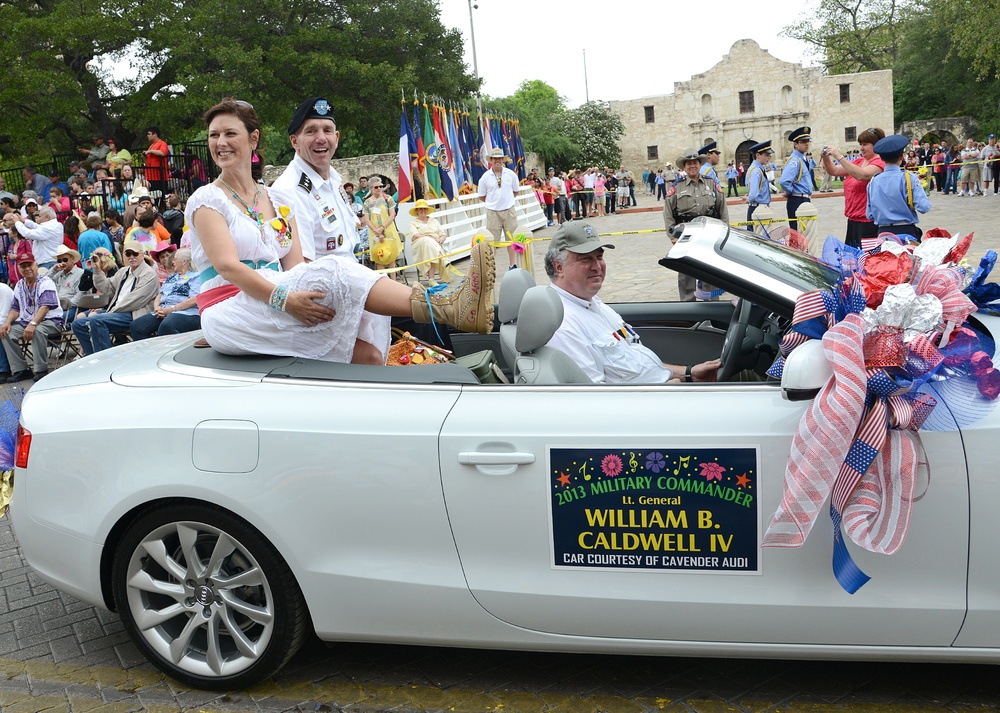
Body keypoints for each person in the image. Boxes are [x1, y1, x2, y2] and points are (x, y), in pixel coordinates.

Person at [185, 98, 493, 366]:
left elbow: (295, 269)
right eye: (214, 135)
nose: (220, 142)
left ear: (253, 139)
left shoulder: (277, 200)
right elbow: (227, 266)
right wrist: (286, 301)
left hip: (273, 298)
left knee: (371, 352)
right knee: (335, 267)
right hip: (231, 304)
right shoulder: (208, 199)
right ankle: (443, 305)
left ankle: (450, 308)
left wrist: (333, 298)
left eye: (229, 133)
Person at [543, 222, 721, 384]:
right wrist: (664, 392)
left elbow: (633, 362)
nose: (597, 266)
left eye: (599, 257)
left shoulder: (593, 304)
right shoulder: (563, 325)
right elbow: (596, 399)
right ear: (559, 267)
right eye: (586, 259)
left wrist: (688, 373)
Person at [269, 97, 362, 263]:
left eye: (327, 130)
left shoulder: (333, 180)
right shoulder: (290, 190)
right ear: (294, 142)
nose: (321, 138)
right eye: (311, 131)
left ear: (337, 138)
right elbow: (304, 267)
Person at [72, 239, 159, 355]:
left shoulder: (149, 274)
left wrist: (109, 312)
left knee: (97, 320)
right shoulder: (123, 271)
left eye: (135, 254)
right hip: (117, 311)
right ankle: (92, 357)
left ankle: (105, 361)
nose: (131, 257)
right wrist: (97, 270)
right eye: (128, 254)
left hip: (135, 313)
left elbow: (135, 301)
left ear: (142, 255)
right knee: (77, 324)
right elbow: (107, 287)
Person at [663, 148, 728, 301]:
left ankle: (711, 305)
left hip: (708, 233)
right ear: (684, 167)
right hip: (685, 234)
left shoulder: (711, 184)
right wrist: (672, 236)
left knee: (709, 270)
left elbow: (722, 208)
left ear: (700, 164)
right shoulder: (676, 187)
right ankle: (688, 307)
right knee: (686, 273)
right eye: (689, 163)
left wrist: (724, 232)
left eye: (695, 163)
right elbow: (668, 213)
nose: (692, 166)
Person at [0, 241, 64, 382]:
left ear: (36, 265)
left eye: (29, 265)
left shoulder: (46, 281)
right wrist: (7, 322)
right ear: (19, 268)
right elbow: (15, 308)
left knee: (37, 330)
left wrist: (33, 323)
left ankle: (41, 369)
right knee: (6, 332)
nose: (27, 268)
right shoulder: (19, 284)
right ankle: (21, 369)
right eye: (23, 266)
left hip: (51, 321)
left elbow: (45, 306)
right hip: (27, 321)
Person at [819, 127, 886, 248]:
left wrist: (839, 156)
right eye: (860, 144)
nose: (861, 148)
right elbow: (833, 170)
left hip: (869, 221)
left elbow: (862, 175)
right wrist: (825, 157)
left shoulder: (880, 162)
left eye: (865, 144)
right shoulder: (859, 161)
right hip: (853, 219)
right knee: (852, 260)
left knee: (866, 260)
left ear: (876, 145)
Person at [866, 134, 931, 241]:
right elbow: (924, 207)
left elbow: (870, 215)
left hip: (883, 234)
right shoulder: (909, 178)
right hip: (906, 232)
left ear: (882, 158)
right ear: (901, 157)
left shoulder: (873, 181)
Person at [130, 247, 202, 340]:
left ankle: (173, 353)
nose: (172, 262)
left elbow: (194, 299)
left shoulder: (196, 276)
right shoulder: (171, 277)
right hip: (164, 311)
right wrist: (157, 309)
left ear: (184, 262)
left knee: (166, 327)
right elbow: (159, 295)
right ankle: (149, 353)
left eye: (175, 259)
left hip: (187, 313)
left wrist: (172, 309)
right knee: (137, 326)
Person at [478, 147, 520, 270]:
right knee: (491, 241)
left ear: (503, 159)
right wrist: (493, 203)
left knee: (512, 239)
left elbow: (515, 191)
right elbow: (482, 196)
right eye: (495, 159)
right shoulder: (485, 177)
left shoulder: (510, 174)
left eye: (500, 158)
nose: (497, 161)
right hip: (492, 212)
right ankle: (491, 267)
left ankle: (512, 264)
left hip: (509, 210)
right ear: (491, 160)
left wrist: (506, 201)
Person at [407, 199, 448, 285]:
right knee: (426, 241)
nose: (423, 210)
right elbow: (415, 235)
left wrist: (440, 240)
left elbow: (443, 235)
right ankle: (443, 257)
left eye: (425, 208)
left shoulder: (434, 221)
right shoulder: (413, 223)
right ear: (417, 211)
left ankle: (431, 280)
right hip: (420, 245)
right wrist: (430, 238)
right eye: (420, 209)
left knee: (430, 248)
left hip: (434, 245)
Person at [362, 177, 401, 268]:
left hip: (388, 229)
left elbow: (392, 215)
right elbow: (367, 219)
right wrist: (376, 230)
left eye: (380, 186)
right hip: (374, 231)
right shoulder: (367, 203)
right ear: (371, 188)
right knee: (378, 258)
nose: (379, 188)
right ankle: (383, 280)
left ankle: (393, 280)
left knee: (391, 256)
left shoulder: (388, 199)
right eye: (376, 187)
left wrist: (382, 228)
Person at [780, 126, 814, 231]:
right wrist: (791, 191)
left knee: (805, 233)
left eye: (807, 141)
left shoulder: (802, 159)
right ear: (796, 144)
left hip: (803, 199)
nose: (806, 144)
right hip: (797, 199)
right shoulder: (795, 161)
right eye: (803, 141)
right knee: (798, 235)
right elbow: (784, 181)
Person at [744, 140, 773, 224]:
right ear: (758, 155)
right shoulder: (756, 171)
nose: (769, 158)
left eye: (769, 155)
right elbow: (753, 193)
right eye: (766, 155)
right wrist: (749, 198)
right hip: (758, 209)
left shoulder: (758, 168)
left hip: (759, 208)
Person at [50, 245, 83, 311]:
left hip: (73, 308)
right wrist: (53, 270)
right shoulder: (57, 274)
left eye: (65, 260)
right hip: (57, 308)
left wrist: (67, 305)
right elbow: (44, 282)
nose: (62, 263)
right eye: (59, 261)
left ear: (72, 259)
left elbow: (80, 294)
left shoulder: (80, 273)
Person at [143, 126, 170, 205]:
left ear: (155, 134)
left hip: (159, 176)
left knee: (161, 198)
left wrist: (150, 151)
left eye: (149, 134)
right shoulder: (151, 145)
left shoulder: (162, 143)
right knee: (153, 197)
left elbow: (163, 153)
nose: (148, 136)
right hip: (151, 176)